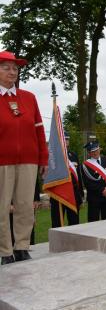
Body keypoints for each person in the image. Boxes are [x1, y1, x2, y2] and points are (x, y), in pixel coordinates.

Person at [0, 51, 48, 265]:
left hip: (29, 160)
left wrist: (43, 158)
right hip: (2, 162)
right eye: (6, 67)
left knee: (25, 206)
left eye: (15, 68)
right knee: (1, 208)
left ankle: (21, 247)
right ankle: (5, 251)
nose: (12, 72)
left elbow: (39, 130)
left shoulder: (29, 98)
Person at [50, 133, 83, 227]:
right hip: (58, 193)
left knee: (74, 222)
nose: (66, 141)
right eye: (64, 139)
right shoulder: (53, 157)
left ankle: (74, 241)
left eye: (67, 140)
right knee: (57, 222)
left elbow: (78, 176)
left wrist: (80, 194)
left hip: (73, 193)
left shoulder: (73, 155)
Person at [82, 141, 106, 222]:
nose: (95, 153)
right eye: (92, 151)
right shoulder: (85, 165)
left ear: (99, 149)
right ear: (89, 153)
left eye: (96, 150)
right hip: (94, 198)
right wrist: (102, 190)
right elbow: (87, 183)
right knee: (93, 223)